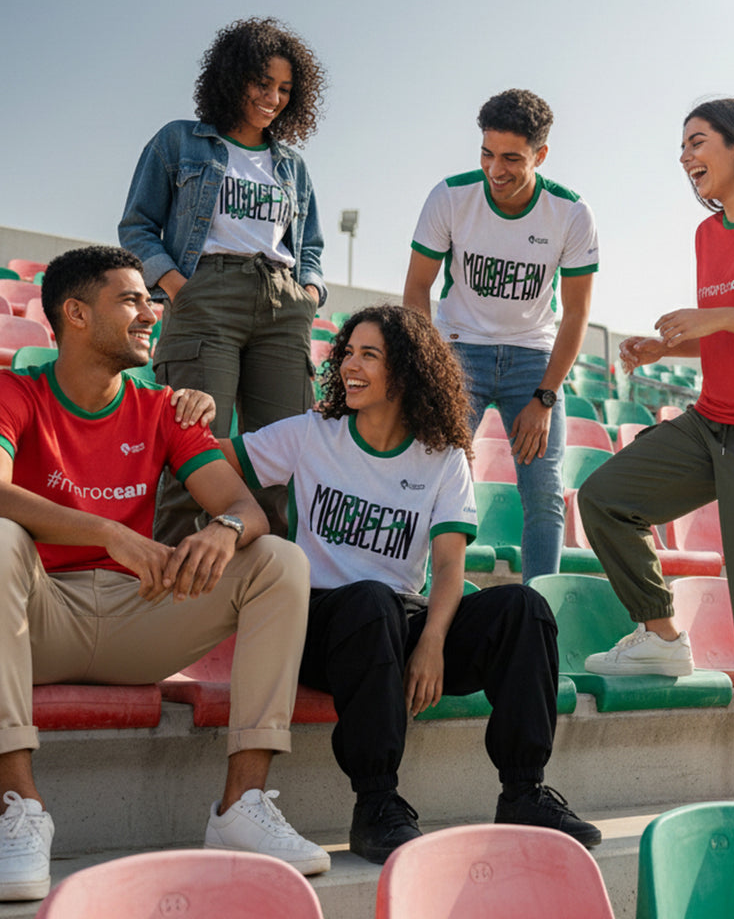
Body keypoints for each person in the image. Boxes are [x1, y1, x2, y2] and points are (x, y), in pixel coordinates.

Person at [0, 246, 329, 903]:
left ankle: (242, 806)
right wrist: (109, 533)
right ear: (75, 314)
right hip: (37, 620)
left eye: (151, 300)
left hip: (139, 618)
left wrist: (223, 530)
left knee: (278, 560)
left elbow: (245, 508)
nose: (152, 313)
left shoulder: (163, 409)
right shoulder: (16, 392)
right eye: (131, 300)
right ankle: (18, 808)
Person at [215, 304, 601, 863]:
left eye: (369, 355)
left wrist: (432, 642)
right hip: (318, 623)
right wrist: (239, 519)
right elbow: (214, 461)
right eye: (348, 352)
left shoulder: (441, 457)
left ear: (406, 371)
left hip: (398, 621)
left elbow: (449, 568)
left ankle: (523, 791)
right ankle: (376, 803)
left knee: (523, 607)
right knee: (371, 602)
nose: (350, 365)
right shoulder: (311, 434)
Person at [577, 98, 734, 809]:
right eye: (681, 146)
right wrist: (667, 347)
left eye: (697, 141)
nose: (685, 157)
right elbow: (733, 335)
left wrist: (717, 316)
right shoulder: (708, 234)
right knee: (605, 497)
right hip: (711, 421)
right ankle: (663, 634)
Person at [119, 16, 327, 544]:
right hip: (206, 295)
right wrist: (178, 286)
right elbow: (137, 226)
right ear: (232, 78)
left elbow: (310, 247)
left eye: (285, 89)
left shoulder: (292, 166)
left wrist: (308, 294)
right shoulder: (179, 142)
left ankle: (265, 583)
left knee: (279, 461)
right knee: (196, 450)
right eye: (262, 83)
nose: (273, 98)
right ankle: (171, 581)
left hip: (282, 307)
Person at [403, 89, 599, 581]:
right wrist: (430, 368)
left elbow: (577, 313)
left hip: (532, 358)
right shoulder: (450, 196)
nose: (496, 169)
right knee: (429, 479)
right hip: (457, 351)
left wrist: (546, 396)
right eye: (487, 153)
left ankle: (537, 609)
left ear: (540, 155)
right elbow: (417, 287)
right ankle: (417, 599)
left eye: (512, 158)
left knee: (544, 492)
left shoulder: (571, 213)